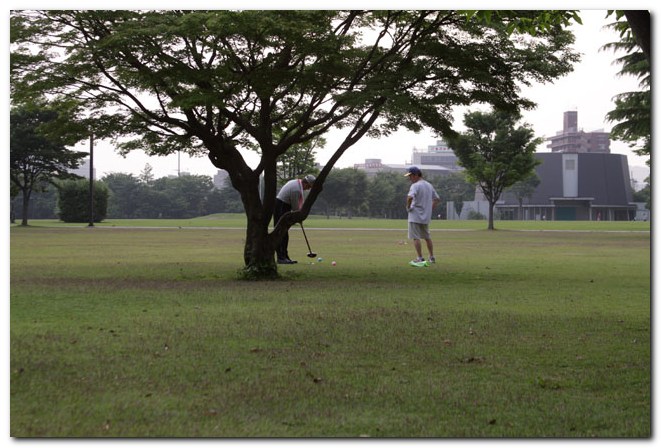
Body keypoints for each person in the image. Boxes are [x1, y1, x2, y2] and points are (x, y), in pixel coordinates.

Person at [273, 174, 316, 264]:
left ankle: (285, 257)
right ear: (306, 183)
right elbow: (295, 207)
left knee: (284, 233)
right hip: (281, 206)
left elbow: (298, 204)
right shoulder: (296, 189)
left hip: (284, 205)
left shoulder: (297, 183)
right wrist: (299, 217)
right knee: (281, 233)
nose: (308, 189)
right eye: (309, 187)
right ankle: (281, 258)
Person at [405, 166, 440, 264]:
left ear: (416, 175)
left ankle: (420, 257)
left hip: (415, 215)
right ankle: (432, 257)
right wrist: (430, 209)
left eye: (410, 176)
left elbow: (409, 197)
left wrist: (408, 207)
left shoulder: (415, 186)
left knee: (416, 237)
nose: (409, 178)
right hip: (425, 216)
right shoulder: (429, 185)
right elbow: (437, 199)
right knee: (427, 237)